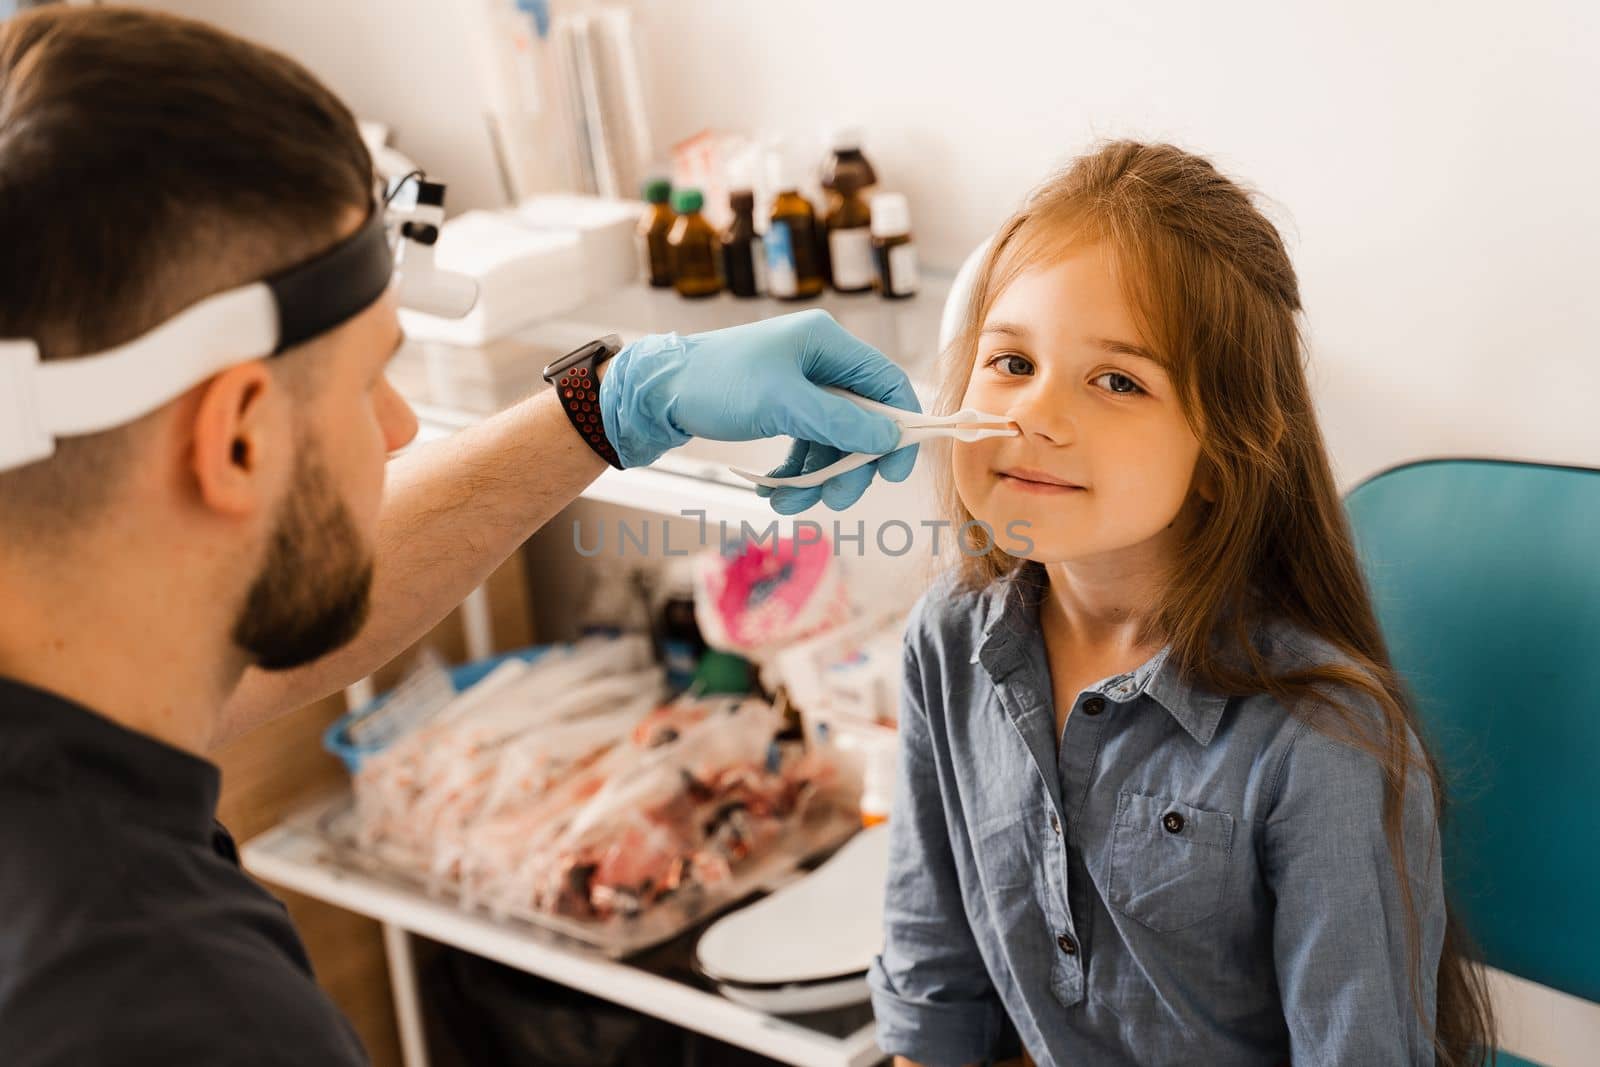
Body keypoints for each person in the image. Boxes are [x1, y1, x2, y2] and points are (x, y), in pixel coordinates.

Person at [0, 7, 919, 1064]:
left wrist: (609, 403)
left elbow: (238, 636)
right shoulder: (179, 1012)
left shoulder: (71, 675)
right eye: (365, 380)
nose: (396, 429)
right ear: (237, 441)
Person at [866, 141, 1496, 1066]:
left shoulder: (1317, 740)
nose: (1035, 414)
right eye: (1009, 361)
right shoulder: (946, 640)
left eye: (1117, 380)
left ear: (1226, 453)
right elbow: (935, 993)